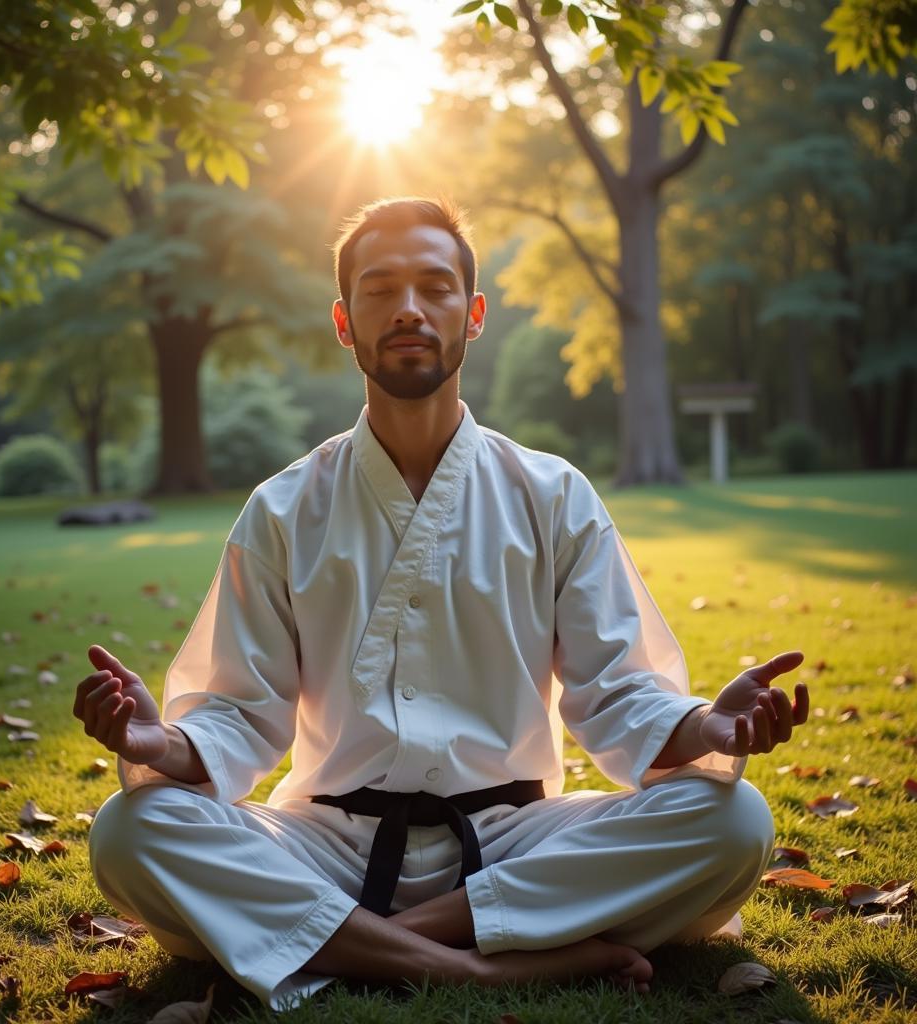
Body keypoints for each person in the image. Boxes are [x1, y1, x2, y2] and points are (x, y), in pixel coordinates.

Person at [74, 196, 809, 1011]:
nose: (410, 310)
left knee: (733, 821)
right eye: (380, 290)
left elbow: (617, 691)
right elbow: (240, 716)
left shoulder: (553, 495)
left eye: (435, 286)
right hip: (326, 846)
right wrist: (162, 742)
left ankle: (355, 944)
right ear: (346, 322)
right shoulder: (282, 511)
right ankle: (483, 962)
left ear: (475, 312)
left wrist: (706, 726)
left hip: (517, 840)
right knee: (130, 832)